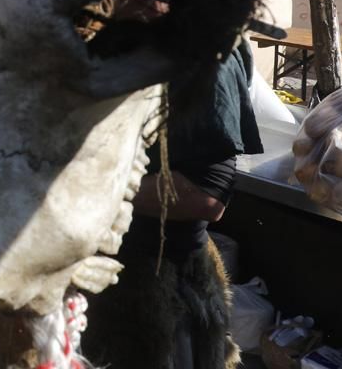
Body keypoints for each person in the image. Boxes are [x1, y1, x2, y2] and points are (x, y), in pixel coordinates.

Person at [84, 37, 263, 369]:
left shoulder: (205, 54)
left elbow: (205, 196)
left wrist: (82, 190)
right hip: (85, 281)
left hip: (153, 290)